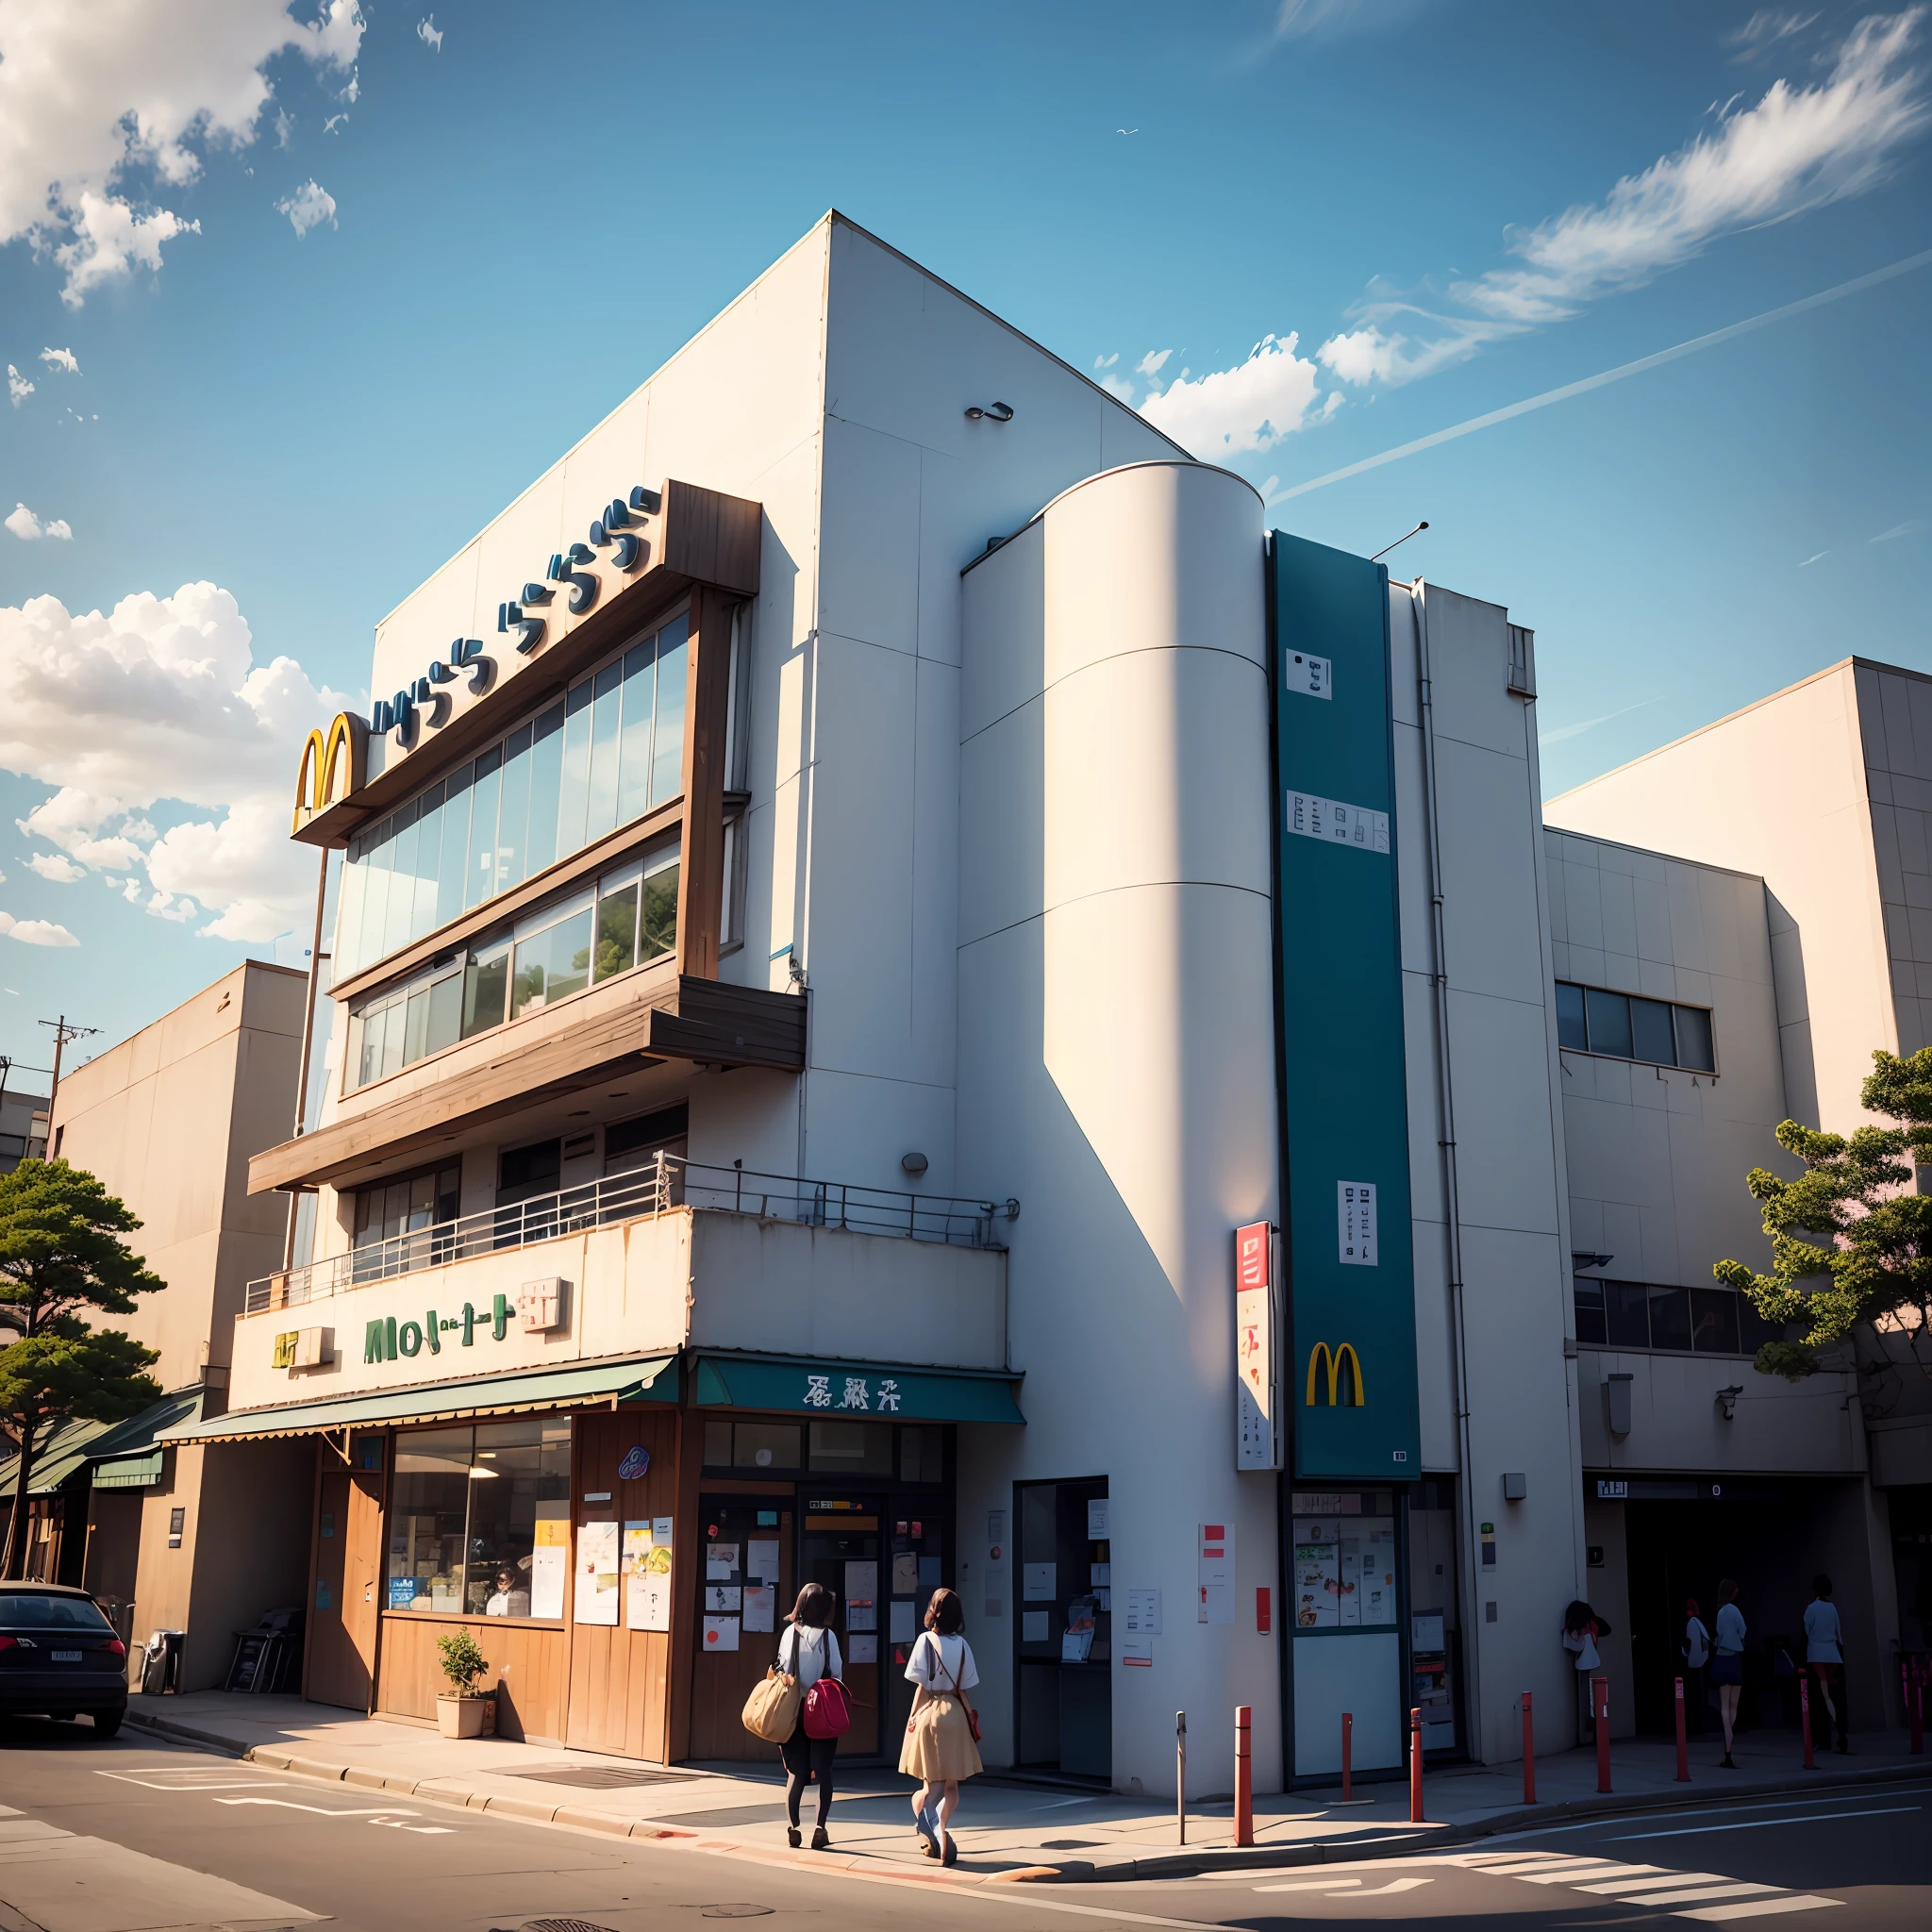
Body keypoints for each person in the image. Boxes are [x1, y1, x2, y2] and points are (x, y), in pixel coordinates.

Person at [902, 1587, 982, 1866]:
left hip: (930, 1715)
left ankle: (930, 1826)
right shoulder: (963, 1645)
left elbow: (922, 1686)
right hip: (956, 1715)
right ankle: (941, 1830)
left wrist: (912, 1717)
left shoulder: (925, 1641)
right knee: (952, 1788)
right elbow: (964, 1688)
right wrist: (970, 1717)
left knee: (929, 1786)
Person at [774, 1583, 843, 1849]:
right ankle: (820, 1828)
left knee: (797, 1772)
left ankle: (793, 1826)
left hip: (796, 1710)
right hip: (823, 1711)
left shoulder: (790, 1633)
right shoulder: (829, 1637)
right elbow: (836, 1674)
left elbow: (784, 1671)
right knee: (823, 1770)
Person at [1803, 1573, 1848, 1755]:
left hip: (1816, 1653)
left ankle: (1822, 1739)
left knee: (1818, 1698)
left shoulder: (1811, 1608)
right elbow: (1839, 1632)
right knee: (1836, 1697)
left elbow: (1806, 1630)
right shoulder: (1833, 1608)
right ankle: (1841, 1734)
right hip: (1834, 1654)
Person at [1561, 1600, 1610, 1741]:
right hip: (1588, 1662)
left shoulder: (1576, 1629)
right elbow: (1606, 1629)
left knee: (1587, 1698)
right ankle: (1592, 1733)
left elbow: (1572, 1644)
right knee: (1591, 1699)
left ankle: (1587, 1734)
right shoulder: (1591, 1626)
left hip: (1583, 1662)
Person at [1712, 1577, 1746, 1768]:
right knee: (1734, 1706)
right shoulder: (1736, 1612)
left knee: (1724, 1707)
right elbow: (1743, 1631)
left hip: (1723, 1657)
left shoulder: (1721, 1613)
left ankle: (1727, 1746)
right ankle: (1730, 1740)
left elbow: (1719, 1634)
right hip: (1736, 1659)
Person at [1681, 1597, 1710, 1734]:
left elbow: (1688, 1642)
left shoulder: (1691, 1623)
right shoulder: (1699, 1623)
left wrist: (1684, 1653)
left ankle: (1695, 1725)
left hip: (1694, 1662)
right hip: (1701, 1661)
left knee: (1693, 1694)